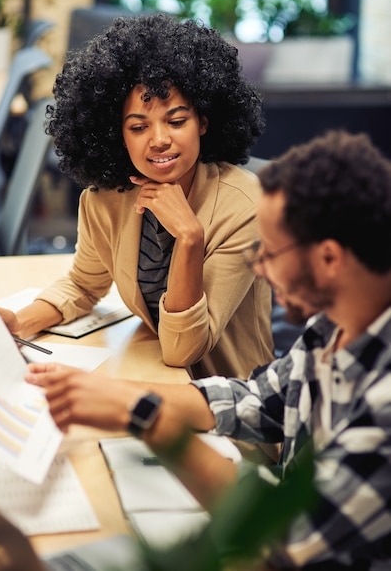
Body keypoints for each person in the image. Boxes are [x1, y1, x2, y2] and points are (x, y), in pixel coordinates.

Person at [25, 130, 391, 569]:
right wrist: (113, 395)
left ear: (329, 259)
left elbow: (280, 529)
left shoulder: (383, 401)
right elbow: (257, 400)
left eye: (270, 253)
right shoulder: (332, 328)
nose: (260, 268)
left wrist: (147, 418)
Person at [0, 13, 274, 379]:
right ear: (117, 133)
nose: (160, 138)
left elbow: (184, 350)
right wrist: (18, 322)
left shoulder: (243, 205)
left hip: (230, 409)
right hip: (151, 377)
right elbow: (84, 284)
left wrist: (190, 237)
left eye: (176, 121)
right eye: (138, 126)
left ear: (204, 122)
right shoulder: (107, 199)